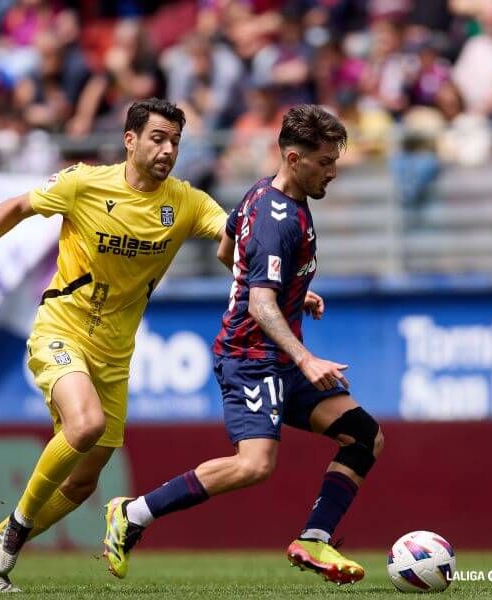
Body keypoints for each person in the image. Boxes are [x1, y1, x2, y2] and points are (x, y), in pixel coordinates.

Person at [0, 98, 229, 592]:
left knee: (83, 484)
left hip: (115, 355)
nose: (168, 150)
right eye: (158, 138)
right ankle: (14, 535)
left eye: (175, 142)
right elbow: (16, 207)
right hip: (61, 330)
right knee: (86, 424)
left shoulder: (186, 202)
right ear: (130, 140)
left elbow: (234, 237)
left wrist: (277, 282)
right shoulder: (84, 182)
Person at [102, 105, 384, 586]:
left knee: (364, 436)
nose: (333, 171)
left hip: (280, 354)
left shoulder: (259, 192)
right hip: (252, 359)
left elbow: (227, 250)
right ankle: (133, 514)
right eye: (324, 162)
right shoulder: (279, 220)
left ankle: (314, 537)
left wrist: (291, 291)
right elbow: (258, 304)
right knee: (254, 465)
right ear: (294, 159)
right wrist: (303, 353)